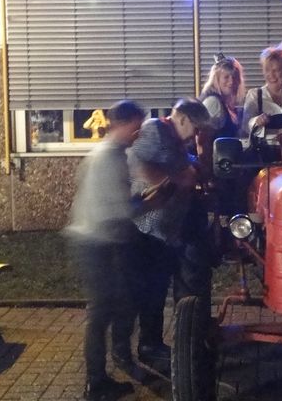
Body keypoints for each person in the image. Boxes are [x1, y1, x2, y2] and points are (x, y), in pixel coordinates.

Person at [115, 98, 213, 367]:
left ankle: (153, 343)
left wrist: (195, 161)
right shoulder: (156, 130)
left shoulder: (175, 139)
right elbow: (137, 160)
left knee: (158, 289)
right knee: (151, 291)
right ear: (182, 118)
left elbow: (187, 167)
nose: (197, 133)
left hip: (166, 230)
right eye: (196, 127)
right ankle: (146, 345)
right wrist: (177, 178)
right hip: (149, 229)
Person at [64, 100, 145, 401]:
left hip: (97, 239)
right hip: (95, 242)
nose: (138, 133)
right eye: (135, 126)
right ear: (121, 124)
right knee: (101, 312)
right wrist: (152, 200)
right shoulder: (108, 158)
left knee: (112, 307)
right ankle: (96, 383)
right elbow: (121, 210)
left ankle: (101, 376)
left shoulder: (109, 154)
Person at [199, 53, 246, 139]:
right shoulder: (213, 102)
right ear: (216, 79)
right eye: (226, 77)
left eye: (234, 77)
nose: (231, 81)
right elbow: (203, 138)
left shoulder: (226, 104)